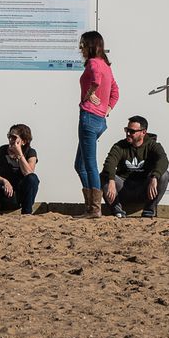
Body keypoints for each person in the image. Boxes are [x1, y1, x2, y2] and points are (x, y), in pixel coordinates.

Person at [74, 30, 119, 218]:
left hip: (89, 118)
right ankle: (90, 206)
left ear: (90, 45)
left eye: (82, 44)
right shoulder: (106, 65)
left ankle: (94, 209)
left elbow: (96, 80)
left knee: (90, 164)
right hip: (99, 120)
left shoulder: (94, 63)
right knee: (80, 164)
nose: (80, 48)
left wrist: (90, 94)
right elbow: (115, 91)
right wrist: (106, 109)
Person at [100, 115, 169, 218]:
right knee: (103, 176)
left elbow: (163, 160)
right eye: (127, 130)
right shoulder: (120, 146)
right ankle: (117, 211)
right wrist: (111, 180)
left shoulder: (153, 145)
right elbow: (109, 163)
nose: (128, 134)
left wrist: (154, 177)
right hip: (123, 188)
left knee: (164, 175)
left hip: (144, 189)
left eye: (132, 131)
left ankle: (149, 211)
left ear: (143, 132)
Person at [0, 123, 40, 214]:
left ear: (23, 141)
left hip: (19, 194)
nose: (10, 140)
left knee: (33, 178)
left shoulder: (30, 152)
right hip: (4, 191)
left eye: (14, 138)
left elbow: (29, 173)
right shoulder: (3, 150)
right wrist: (4, 181)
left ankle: (26, 213)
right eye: (9, 137)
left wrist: (19, 154)